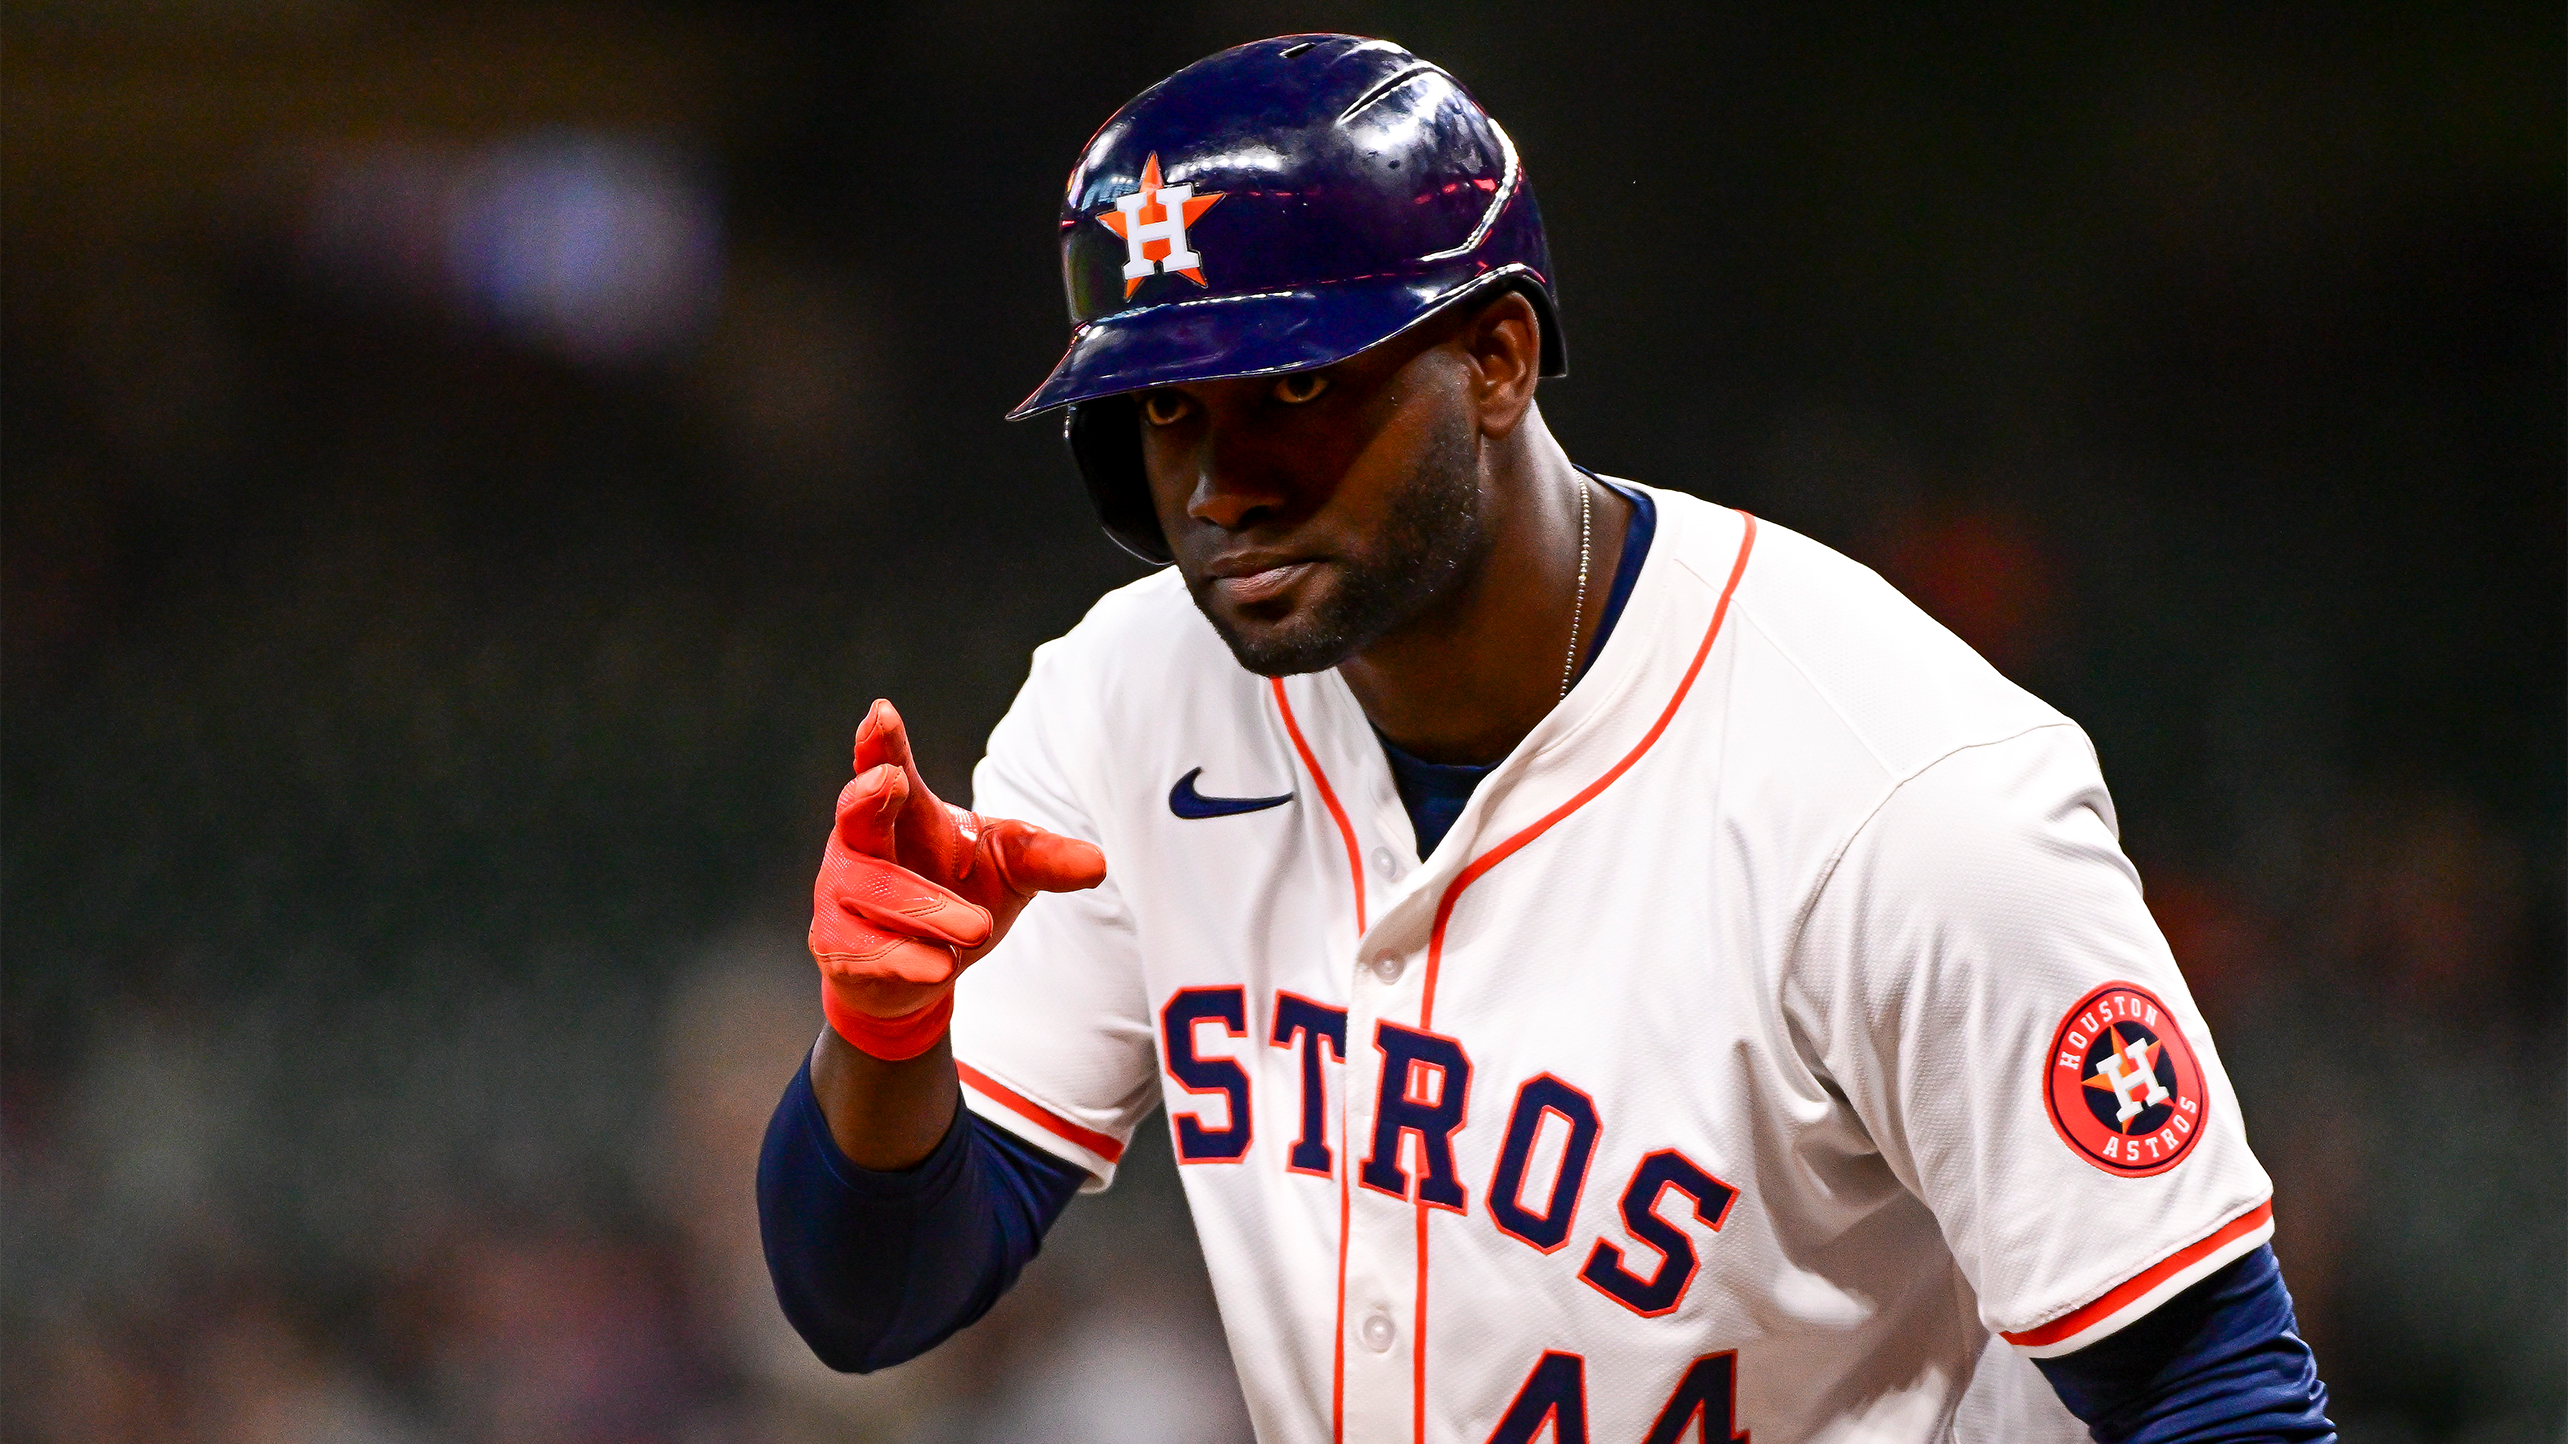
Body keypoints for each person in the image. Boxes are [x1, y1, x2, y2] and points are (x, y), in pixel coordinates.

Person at [756, 34, 2334, 1443]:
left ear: (1498, 357)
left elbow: (2216, 1392)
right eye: (1171, 409)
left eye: (1294, 382)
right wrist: (882, 1039)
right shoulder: (1126, 709)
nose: (1225, 483)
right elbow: (874, 1303)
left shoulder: (1901, 793)